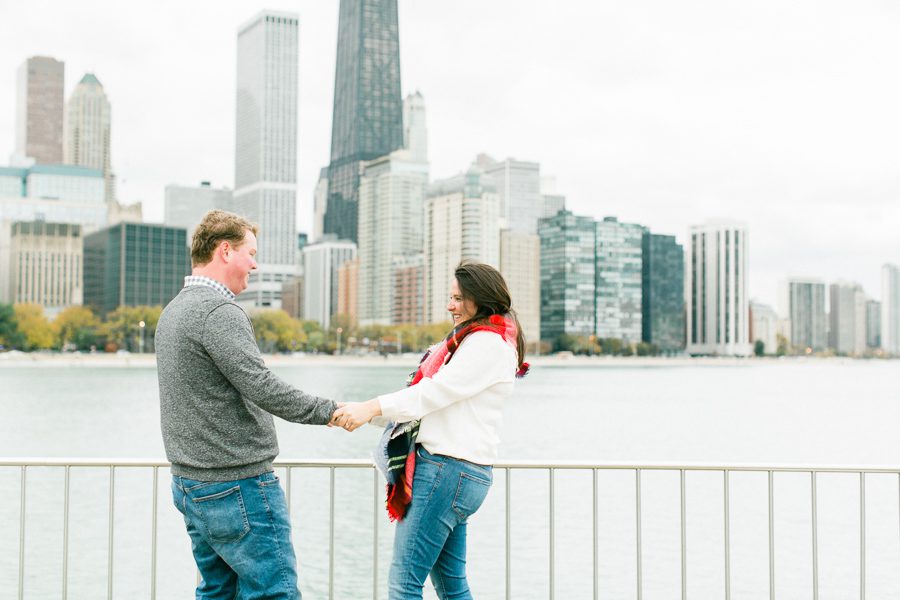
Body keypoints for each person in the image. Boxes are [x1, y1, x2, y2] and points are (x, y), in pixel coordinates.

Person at [156, 209, 339, 599]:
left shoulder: (172, 311)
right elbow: (263, 386)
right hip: (236, 486)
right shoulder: (218, 312)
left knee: (217, 592)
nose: (255, 264)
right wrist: (333, 412)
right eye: (250, 253)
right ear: (225, 251)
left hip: (191, 485)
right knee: (276, 592)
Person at [332, 261, 528, 599]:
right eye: (450, 297)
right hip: (460, 474)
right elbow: (428, 405)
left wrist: (370, 408)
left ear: (481, 299)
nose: (450, 306)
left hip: (446, 473)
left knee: (404, 584)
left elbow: (431, 394)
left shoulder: (487, 344)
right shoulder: (478, 341)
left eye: (458, 298)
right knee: (452, 585)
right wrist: (363, 412)